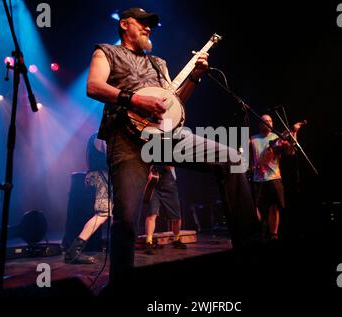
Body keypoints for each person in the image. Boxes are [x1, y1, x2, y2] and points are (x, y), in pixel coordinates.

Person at [86, 7, 260, 286]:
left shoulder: (158, 63)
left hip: (164, 137)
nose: (147, 28)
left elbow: (175, 104)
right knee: (127, 219)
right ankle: (120, 284)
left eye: (150, 25)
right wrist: (135, 100)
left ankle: (251, 249)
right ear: (124, 25)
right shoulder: (106, 52)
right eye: (141, 24)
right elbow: (93, 86)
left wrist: (194, 77)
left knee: (231, 158)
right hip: (127, 139)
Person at [249, 114, 300, 241]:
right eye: (265, 121)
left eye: (270, 121)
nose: (269, 123)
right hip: (257, 178)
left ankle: (273, 235)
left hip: (274, 177)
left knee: (274, 206)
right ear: (260, 124)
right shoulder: (253, 139)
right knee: (256, 207)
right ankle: (260, 231)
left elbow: (290, 151)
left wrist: (294, 132)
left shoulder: (277, 137)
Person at [64, 133, 112, 264]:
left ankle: (117, 247)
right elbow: (110, 157)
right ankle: (73, 251)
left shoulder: (98, 136)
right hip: (103, 176)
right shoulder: (101, 136)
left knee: (116, 213)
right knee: (103, 214)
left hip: (104, 176)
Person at [143, 166, 187, 255]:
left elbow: (169, 166)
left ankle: (176, 239)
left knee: (176, 216)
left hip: (170, 186)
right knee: (152, 214)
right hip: (154, 185)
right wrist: (149, 171)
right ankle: (149, 242)